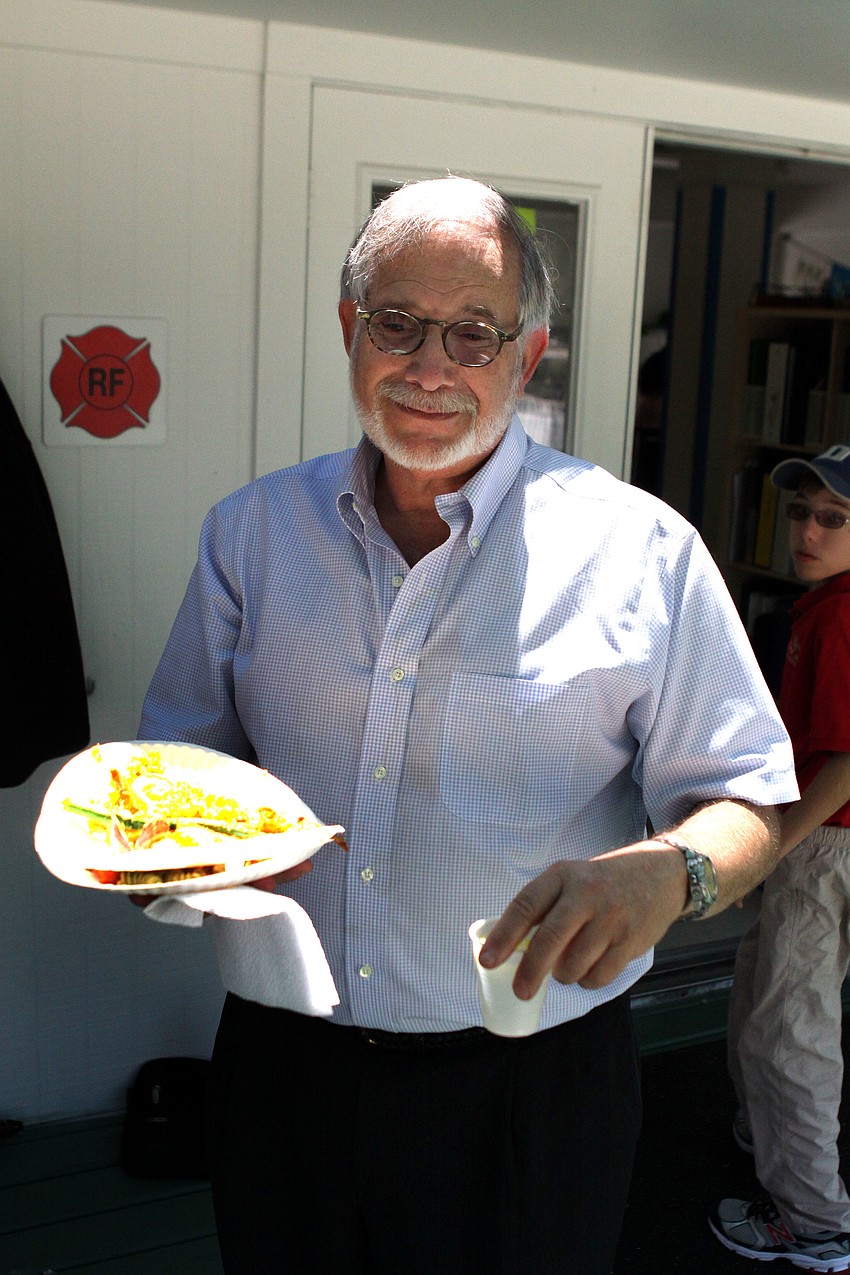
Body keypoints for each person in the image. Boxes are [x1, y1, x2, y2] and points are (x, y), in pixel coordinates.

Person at [138, 176, 796, 1275]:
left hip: (529, 1085)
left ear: (524, 357)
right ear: (350, 330)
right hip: (281, 1067)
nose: (430, 367)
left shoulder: (641, 551)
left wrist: (670, 874)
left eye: (473, 333)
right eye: (397, 323)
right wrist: (160, 846)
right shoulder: (250, 534)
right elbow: (182, 765)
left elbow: (752, 798)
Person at [713, 445, 850, 1273]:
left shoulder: (840, 617)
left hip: (823, 840)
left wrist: (767, 851)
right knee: (769, 998)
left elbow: (844, 764)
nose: (808, 531)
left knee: (789, 1029)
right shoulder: (820, 606)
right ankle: (769, 1134)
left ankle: (813, 1221)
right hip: (821, 838)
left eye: (834, 518)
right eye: (801, 512)